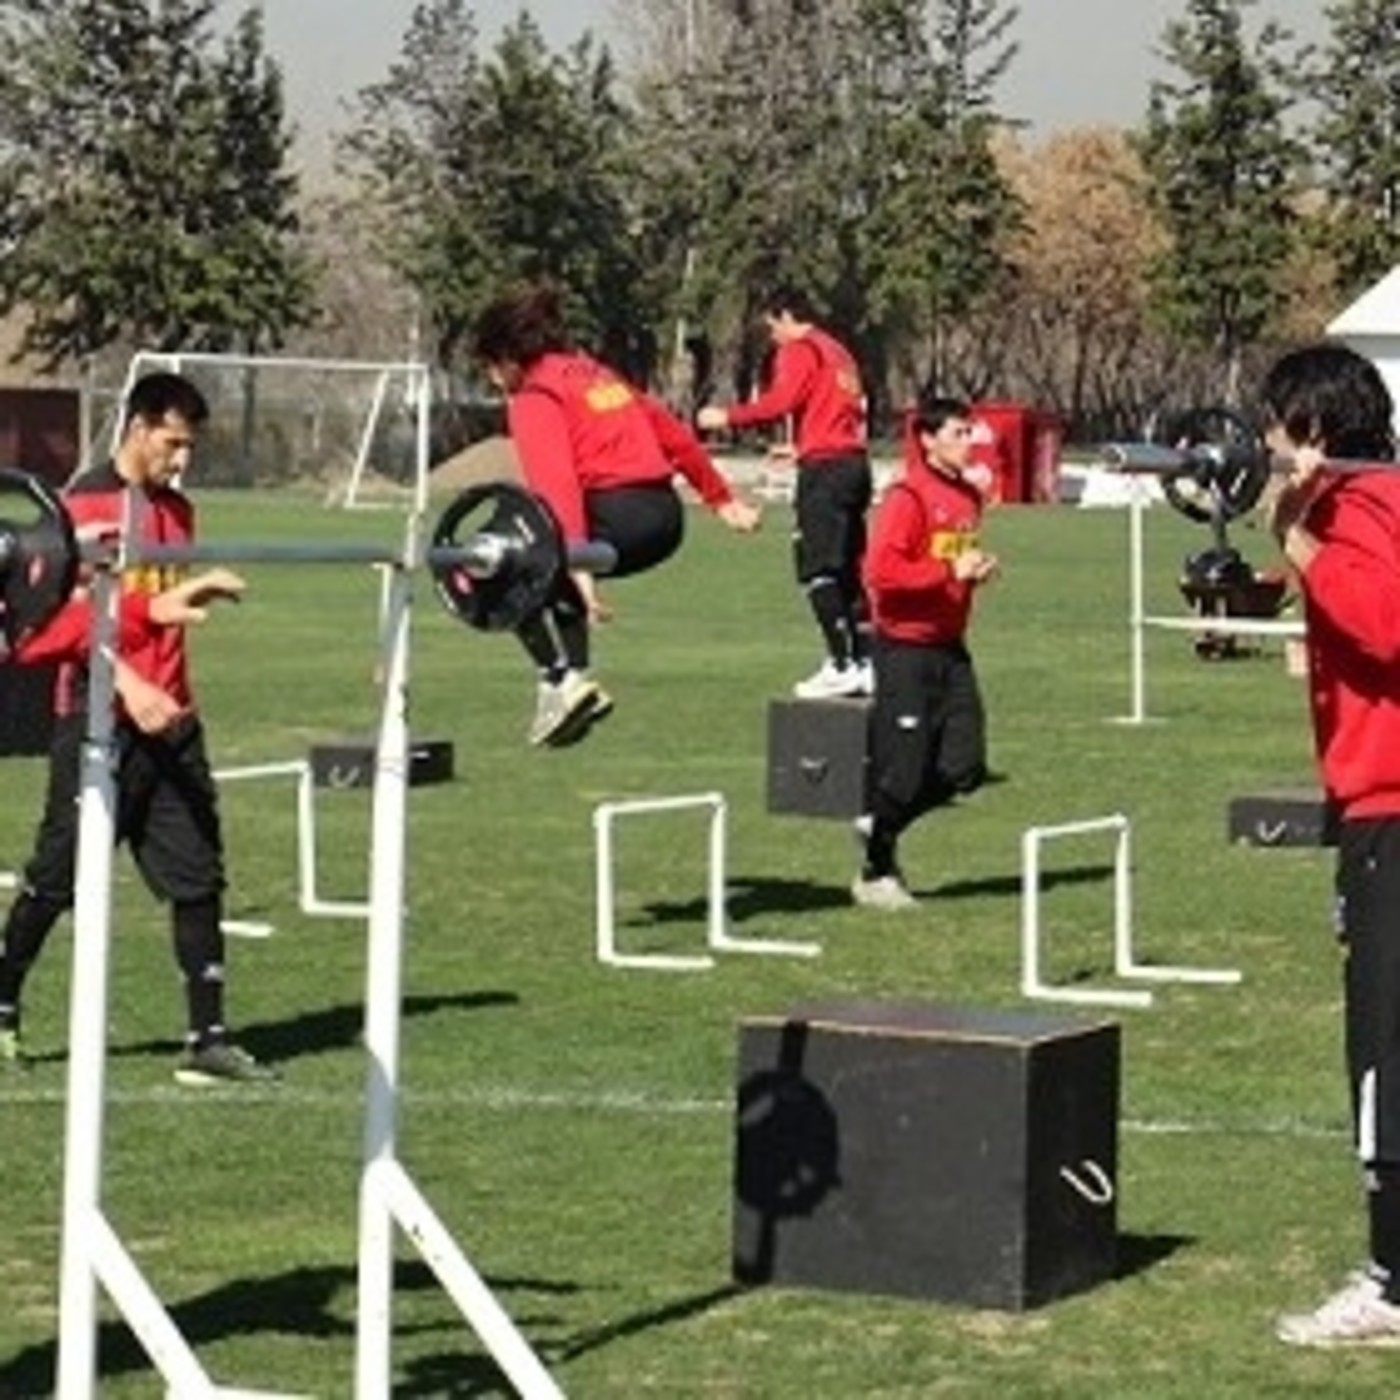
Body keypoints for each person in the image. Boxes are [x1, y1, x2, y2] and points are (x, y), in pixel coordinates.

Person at [0, 371, 279, 1086]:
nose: (182, 460)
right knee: (56, 879)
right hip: (98, 721)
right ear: (137, 426)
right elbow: (53, 628)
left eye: (189, 446)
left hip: (173, 723)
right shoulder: (77, 509)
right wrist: (128, 684)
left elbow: (149, 608)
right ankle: (3, 1002)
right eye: (173, 443)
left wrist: (188, 596)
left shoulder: (178, 514)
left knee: (199, 878)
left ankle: (208, 1037)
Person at [1263, 343, 1400, 1346]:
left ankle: (1391, 1281)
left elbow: (1384, 622)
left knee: (1383, 1052)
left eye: (1275, 428)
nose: (1265, 447)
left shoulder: (1363, 512)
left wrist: (1299, 541)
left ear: (1310, 430)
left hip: (1390, 811)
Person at [471, 281, 761, 748]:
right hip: (664, 520)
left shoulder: (534, 395)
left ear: (507, 358)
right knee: (544, 564)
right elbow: (671, 432)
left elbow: (554, 481)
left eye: (489, 368)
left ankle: (557, 677)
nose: (491, 380)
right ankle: (578, 680)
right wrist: (720, 498)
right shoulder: (595, 375)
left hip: (615, 512)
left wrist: (577, 558)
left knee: (492, 558)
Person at [851, 393, 998, 911]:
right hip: (905, 650)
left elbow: (949, 561)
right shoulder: (906, 498)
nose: (969, 442)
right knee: (906, 771)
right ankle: (876, 865)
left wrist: (975, 569)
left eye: (970, 432)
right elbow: (880, 575)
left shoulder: (968, 498)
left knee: (966, 767)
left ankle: (878, 822)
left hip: (950, 648)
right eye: (958, 433)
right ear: (928, 440)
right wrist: (947, 574)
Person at [697, 285, 872, 699]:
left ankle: (842, 663)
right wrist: (801, 445)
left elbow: (781, 402)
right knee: (848, 568)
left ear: (786, 316)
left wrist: (726, 416)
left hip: (826, 471)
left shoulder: (800, 349)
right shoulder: (838, 352)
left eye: (772, 326)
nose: (772, 336)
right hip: (852, 465)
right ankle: (865, 660)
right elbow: (840, 411)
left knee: (817, 568)